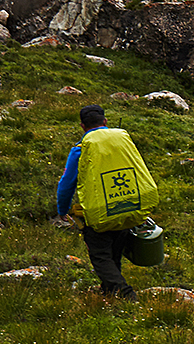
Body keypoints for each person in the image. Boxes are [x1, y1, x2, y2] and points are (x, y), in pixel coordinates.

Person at [56, 104, 158, 298]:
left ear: (83, 126)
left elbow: (66, 183)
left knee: (100, 255)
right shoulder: (123, 140)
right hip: (129, 205)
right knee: (114, 252)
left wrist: (62, 210)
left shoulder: (81, 149)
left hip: (100, 211)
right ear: (105, 122)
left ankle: (125, 294)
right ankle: (110, 292)